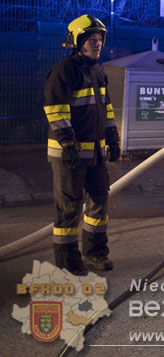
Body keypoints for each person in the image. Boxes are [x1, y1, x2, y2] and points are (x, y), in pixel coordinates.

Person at [44, 15, 121, 275]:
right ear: (77, 42)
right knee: (69, 210)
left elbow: (106, 109)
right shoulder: (64, 71)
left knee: (100, 203)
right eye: (91, 40)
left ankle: (96, 255)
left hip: (96, 155)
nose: (97, 44)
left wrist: (113, 137)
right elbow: (56, 111)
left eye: (99, 40)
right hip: (70, 156)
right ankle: (68, 264)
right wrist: (67, 145)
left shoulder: (98, 72)